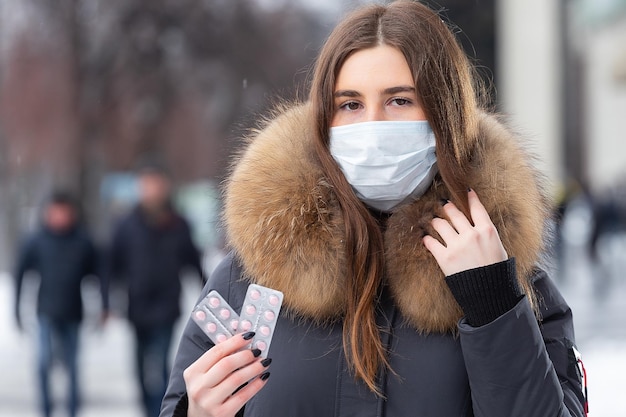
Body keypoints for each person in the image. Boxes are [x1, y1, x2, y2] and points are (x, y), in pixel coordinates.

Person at [160, 1, 588, 416]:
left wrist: (493, 303)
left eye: (400, 100)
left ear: (446, 114)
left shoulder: (514, 283)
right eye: (350, 104)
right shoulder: (250, 278)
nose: (372, 124)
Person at [108, 164, 205, 417]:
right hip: (137, 306)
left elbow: (192, 261)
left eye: (155, 184)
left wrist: (207, 293)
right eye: (145, 185)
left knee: (162, 365)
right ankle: (147, 409)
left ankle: (159, 412)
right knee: (140, 368)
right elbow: (113, 265)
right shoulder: (126, 225)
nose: (150, 190)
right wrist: (107, 300)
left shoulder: (178, 224)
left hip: (166, 305)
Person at [14, 190, 107, 417]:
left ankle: (72, 410)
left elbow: (100, 274)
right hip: (46, 311)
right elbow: (20, 274)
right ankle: (46, 410)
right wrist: (16, 308)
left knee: (73, 368)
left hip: (73, 312)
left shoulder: (82, 241)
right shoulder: (37, 241)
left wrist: (104, 305)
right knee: (43, 364)